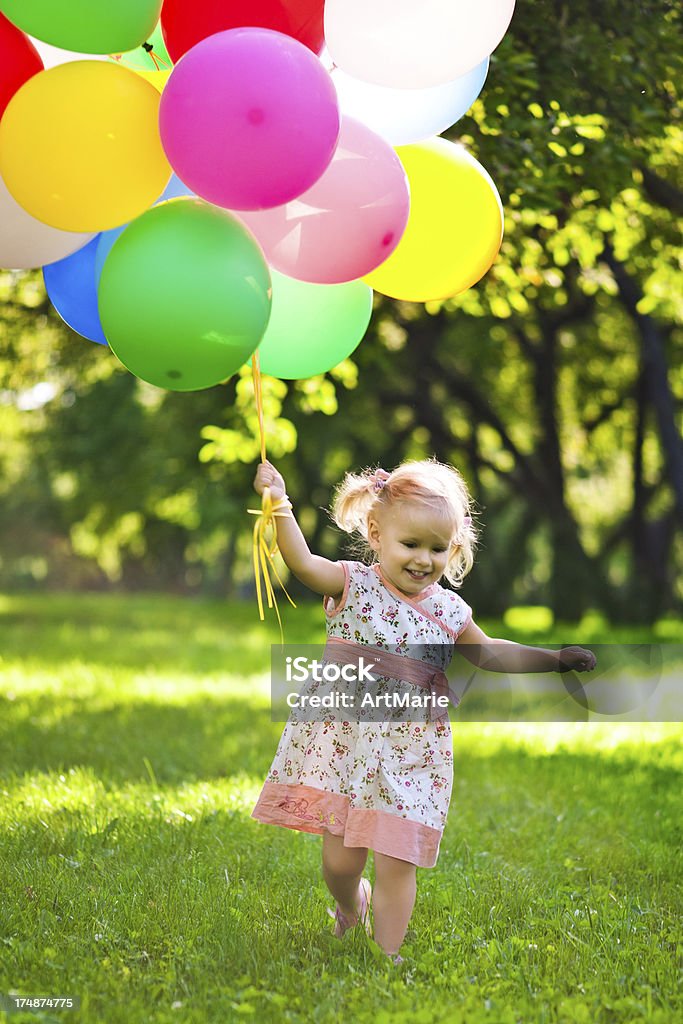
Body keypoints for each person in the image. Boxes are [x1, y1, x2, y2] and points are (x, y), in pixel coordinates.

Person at [250, 458, 596, 964]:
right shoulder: (352, 585)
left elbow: (490, 653)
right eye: (410, 544)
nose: (423, 559)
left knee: (397, 859)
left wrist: (555, 660)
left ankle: (386, 956)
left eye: (437, 548)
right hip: (347, 745)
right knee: (340, 862)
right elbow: (300, 562)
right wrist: (278, 501)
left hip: (412, 751)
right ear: (375, 533)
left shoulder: (450, 610)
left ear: (453, 548)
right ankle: (351, 906)